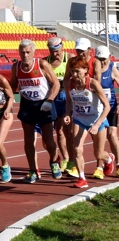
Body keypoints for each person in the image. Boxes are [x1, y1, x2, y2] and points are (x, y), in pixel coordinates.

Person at [10, 39, 62, 184]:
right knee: (28, 140)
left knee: (48, 140)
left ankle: (54, 161)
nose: (25, 55)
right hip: (27, 104)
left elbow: (56, 84)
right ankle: (33, 170)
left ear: (33, 52)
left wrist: (49, 100)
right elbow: (12, 85)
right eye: (22, 52)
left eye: (28, 52)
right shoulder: (16, 67)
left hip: (43, 103)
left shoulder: (42, 64)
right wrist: (8, 99)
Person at [64, 56, 110, 189]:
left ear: (85, 70)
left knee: (99, 154)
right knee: (77, 149)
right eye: (72, 71)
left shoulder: (93, 84)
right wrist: (68, 114)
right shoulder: (69, 83)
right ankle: (82, 178)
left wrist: (96, 125)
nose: (74, 74)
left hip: (97, 119)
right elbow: (68, 101)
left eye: (77, 71)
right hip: (80, 119)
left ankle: (109, 159)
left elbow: (107, 106)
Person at [45, 37, 72, 174]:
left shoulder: (70, 58)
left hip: (67, 96)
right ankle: (66, 159)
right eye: (51, 51)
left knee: (70, 131)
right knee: (59, 130)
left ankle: (74, 158)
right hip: (54, 96)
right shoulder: (46, 62)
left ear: (62, 47)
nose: (55, 54)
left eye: (56, 50)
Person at [94, 45, 118, 178]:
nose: (102, 62)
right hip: (98, 109)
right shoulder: (93, 70)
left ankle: (118, 164)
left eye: (104, 58)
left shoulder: (112, 69)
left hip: (112, 107)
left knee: (112, 136)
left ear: (108, 57)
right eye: (99, 58)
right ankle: (99, 166)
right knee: (99, 138)